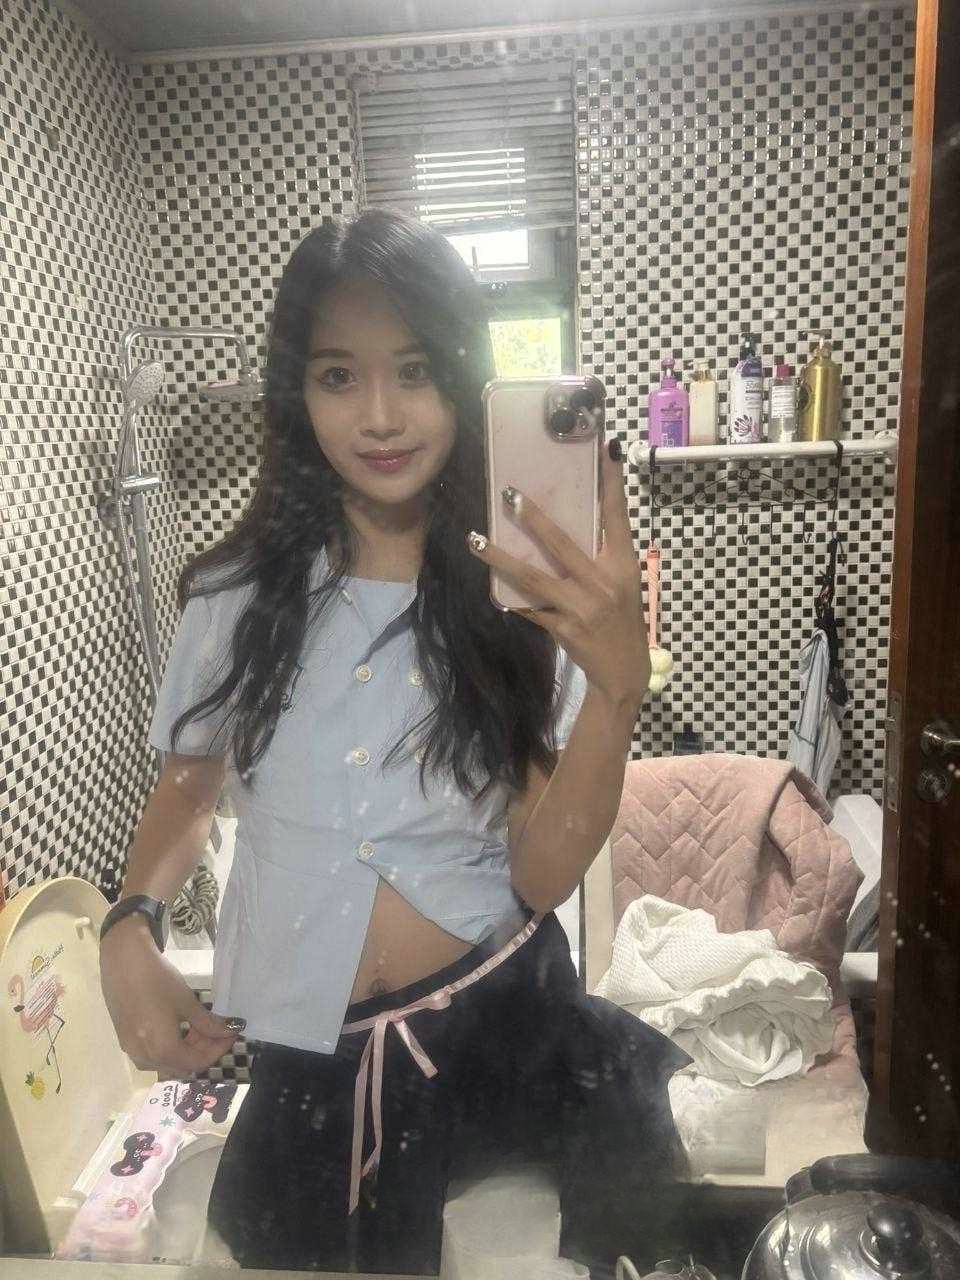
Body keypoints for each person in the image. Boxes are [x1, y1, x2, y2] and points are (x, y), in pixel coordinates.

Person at [99, 209, 691, 1277]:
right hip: (308, 1068)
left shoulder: (523, 597)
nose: (380, 415)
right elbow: (188, 786)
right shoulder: (234, 597)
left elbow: (541, 872)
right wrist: (128, 927)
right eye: (339, 375)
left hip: (502, 1033)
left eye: (415, 370)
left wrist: (615, 691)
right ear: (298, 392)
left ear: (462, 379)